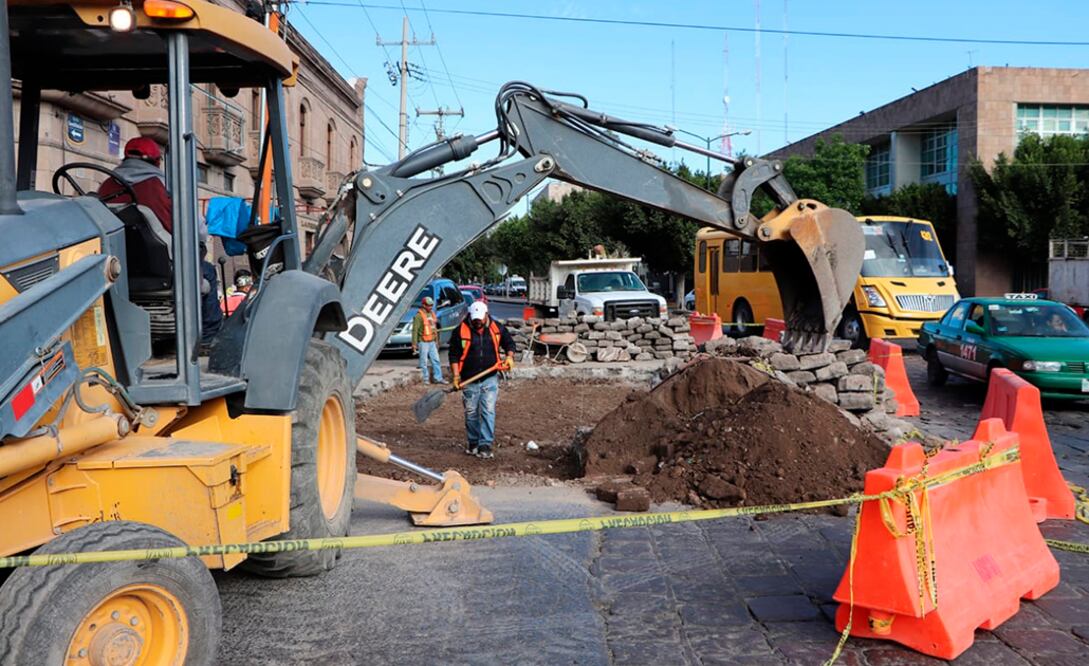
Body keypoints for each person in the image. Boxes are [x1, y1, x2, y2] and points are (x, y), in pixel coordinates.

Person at [98, 136, 223, 343]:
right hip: (165, 269)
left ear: (124, 158)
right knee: (207, 272)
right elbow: (199, 231)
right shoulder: (165, 186)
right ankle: (208, 340)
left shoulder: (106, 187)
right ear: (157, 161)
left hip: (115, 271)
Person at [448, 301, 515, 459]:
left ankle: (485, 444)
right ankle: (473, 442)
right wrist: (456, 376)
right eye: (475, 319)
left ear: (486, 315)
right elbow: (454, 355)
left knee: (488, 411)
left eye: (480, 318)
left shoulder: (496, 328)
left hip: (489, 378)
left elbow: (509, 344)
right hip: (469, 379)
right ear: (470, 316)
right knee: (471, 412)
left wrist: (509, 357)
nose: (477, 322)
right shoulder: (460, 331)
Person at [412, 296, 445, 384]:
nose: (430, 307)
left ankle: (438, 378)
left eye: (431, 305)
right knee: (424, 361)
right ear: (423, 305)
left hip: (432, 341)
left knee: (436, 360)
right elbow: (415, 330)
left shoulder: (432, 314)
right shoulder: (419, 316)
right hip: (423, 342)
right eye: (428, 305)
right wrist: (414, 343)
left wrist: (437, 341)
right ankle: (425, 379)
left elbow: (434, 329)